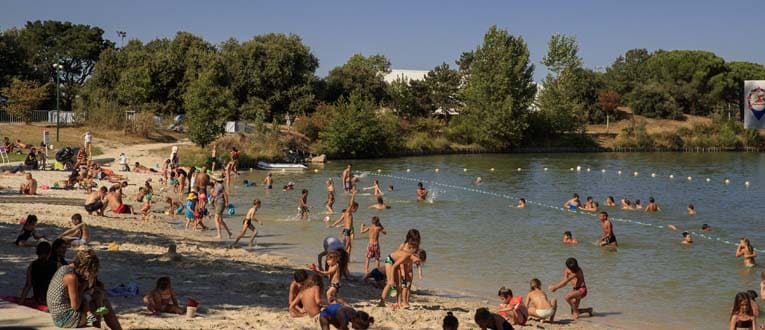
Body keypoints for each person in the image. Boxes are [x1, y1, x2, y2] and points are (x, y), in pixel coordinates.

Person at [46, 249, 122, 329]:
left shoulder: (65, 268)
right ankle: (102, 326)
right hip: (65, 319)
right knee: (104, 307)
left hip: (59, 317)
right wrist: (82, 287)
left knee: (99, 301)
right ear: (84, 267)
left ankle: (96, 324)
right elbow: (75, 306)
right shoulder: (71, 277)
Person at [19, 241, 57, 306]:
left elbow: (28, 285)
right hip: (50, 300)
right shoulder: (57, 265)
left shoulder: (32, 265)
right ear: (50, 253)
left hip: (38, 299)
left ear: (37, 252)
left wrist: (20, 302)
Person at [331, 189, 358, 257]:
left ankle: (347, 259)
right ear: (353, 207)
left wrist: (333, 225)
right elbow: (351, 203)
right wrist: (353, 194)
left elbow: (339, 220)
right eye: (356, 209)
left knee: (349, 246)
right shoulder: (348, 212)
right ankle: (339, 256)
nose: (356, 210)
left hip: (347, 230)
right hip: (347, 230)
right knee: (347, 245)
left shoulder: (346, 213)